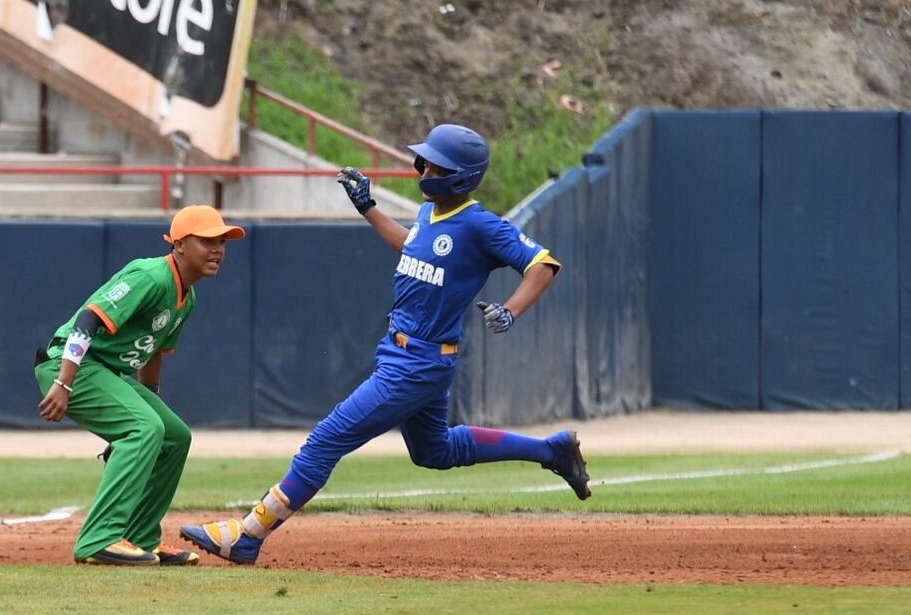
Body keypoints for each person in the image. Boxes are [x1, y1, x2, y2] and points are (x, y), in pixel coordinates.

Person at [180, 123, 590, 565]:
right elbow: (411, 249)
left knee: (325, 440)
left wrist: (510, 309)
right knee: (435, 452)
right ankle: (551, 450)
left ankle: (248, 534)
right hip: (405, 353)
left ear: (459, 175)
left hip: (418, 363)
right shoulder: (429, 213)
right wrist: (370, 209)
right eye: (426, 158)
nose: (423, 166)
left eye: (434, 162)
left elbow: (543, 264)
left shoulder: (479, 224)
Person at [35, 205, 245, 566]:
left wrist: (150, 403)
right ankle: (98, 540)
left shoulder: (187, 297)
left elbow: (154, 352)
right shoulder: (151, 276)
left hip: (104, 371)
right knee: (144, 428)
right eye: (207, 240)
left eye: (222, 241)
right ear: (178, 244)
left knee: (174, 435)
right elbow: (89, 317)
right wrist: (63, 382)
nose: (218, 249)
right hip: (72, 365)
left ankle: (141, 537)